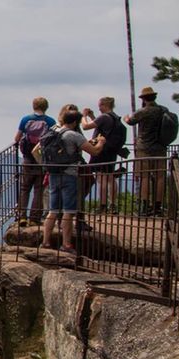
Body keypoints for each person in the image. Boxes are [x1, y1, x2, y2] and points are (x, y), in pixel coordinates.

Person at [40, 108, 107, 257]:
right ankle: (66, 244)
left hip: (53, 174)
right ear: (75, 122)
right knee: (68, 212)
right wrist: (101, 142)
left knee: (53, 211)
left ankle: (45, 242)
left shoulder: (52, 132)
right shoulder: (74, 135)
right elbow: (94, 152)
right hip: (69, 175)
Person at [126, 85, 171, 216]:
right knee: (160, 177)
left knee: (144, 177)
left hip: (144, 148)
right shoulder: (163, 110)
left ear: (144, 98)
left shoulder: (143, 111)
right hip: (160, 147)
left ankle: (144, 207)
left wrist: (126, 117)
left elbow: (130, 121)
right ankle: (158, 207)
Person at [14, 97, 55, 225]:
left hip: (27, 158)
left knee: (25, 188)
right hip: (41, 158)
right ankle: (34, 218)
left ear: (34, 106)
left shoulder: (26, 120)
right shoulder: (50, 121)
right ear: (46, 107)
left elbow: (17, 138)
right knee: (39, 188)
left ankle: (22, 216)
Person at [81, 97, 126, 212]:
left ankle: (103, 205)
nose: (99, 108)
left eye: (100, 105)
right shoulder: (115, 117)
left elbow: (85, 127)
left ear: (105, 105)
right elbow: (102, 127)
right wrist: (92, 116)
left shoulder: (104, 117)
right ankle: (113, 205)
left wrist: (84, 116)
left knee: (101, 178)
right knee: (110, 177)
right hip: (111, 151)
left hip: (101, 150)